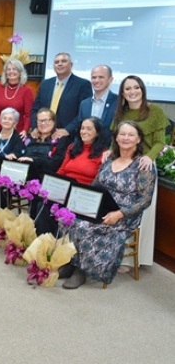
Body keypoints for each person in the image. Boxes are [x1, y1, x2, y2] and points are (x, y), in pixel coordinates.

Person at [64, 121, 156, 289]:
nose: (126, 138)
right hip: (101, 205)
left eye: (131, 135)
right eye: (122, 134)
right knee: (69, 218)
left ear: (138, 139)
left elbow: (144, 200)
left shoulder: (143, 165)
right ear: (116, 137)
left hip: (125, 213)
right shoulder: (109, 159)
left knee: (85, 226)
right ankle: (71, 261)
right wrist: (81, 202)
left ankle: (81, 270)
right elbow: (95, 184)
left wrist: (119, 214)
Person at [110, 75, 169, 267]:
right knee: (118, 208)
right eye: (128, 89)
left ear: (142, 89)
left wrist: (149, 157)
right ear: (123, 93)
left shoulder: (155, 111)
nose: (132, 92)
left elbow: (161, 141)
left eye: (136, 87)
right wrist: (108, 154)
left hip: (143, 167)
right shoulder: (121, 113)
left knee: (141, 213)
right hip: (122, 165)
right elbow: (114, 141)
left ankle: (134, 260)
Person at [30, 53, 91, 138]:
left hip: (67, 136)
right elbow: (35, 109)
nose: (59, 64)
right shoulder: (45, 84)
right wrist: (35, 127)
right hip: (43, 135)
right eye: (56, 62)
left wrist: (68, 130)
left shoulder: (82, 85)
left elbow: (83, 113)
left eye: (64, 61)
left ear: (71, 65)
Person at [8, 108, 69, 181]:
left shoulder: (61, 140)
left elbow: (55, 164)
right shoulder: (30, 138)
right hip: (22, 175)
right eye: (40, 121)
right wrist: (13, 155)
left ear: (54, 121)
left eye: (46, 120)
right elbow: (19, 151)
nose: (43, 123)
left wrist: (33, 160)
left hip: (44, 178)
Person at [64, 65, 118, 136]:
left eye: (101, 77)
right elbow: (79, 129)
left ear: (110, 80)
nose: (96, 80)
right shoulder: (84, 104)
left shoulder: (118, 102)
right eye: (94, 77)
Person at [0, 59, 34, 137]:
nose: (11, 71)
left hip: (18, 133)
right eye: (8, 69)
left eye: (14, 69)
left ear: (20, 72)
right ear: (5, 73)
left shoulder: (27, 90)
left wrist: (25, 130)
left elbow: (28, 115)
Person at [57, 117, 110, 185]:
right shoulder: (72, 147)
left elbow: (99, 182)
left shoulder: (104, 154)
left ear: (97, 133)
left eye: (89, 129)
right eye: (82, 128)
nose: (84, 132)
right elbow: (61, 171)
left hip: (85, 191)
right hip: (65, 186)